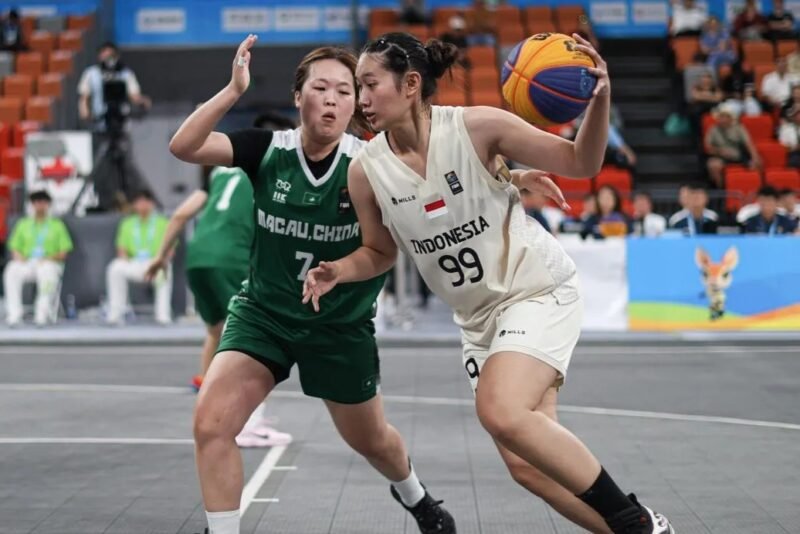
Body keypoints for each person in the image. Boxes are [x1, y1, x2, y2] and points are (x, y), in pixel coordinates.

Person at [305, 31, 675, 534]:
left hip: (536, 290)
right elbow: (379, 252)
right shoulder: (366, 171)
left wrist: (600, 99)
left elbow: (582, 163)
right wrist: (340, 269)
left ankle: (635, 522)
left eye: (369, 85)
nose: (362, 100)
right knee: (527, 465)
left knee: (498, 410)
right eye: (358, 88)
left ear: (411, 84)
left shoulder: (479, 127)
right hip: (479, 321)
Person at [168, 36, 455, 534]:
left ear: (356, 104)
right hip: (265, 316)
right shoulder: (267, 150)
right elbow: (184, 145)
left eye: (346, 91)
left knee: (373, 442)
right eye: (320, 87)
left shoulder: (371, 163)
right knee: (210, 424)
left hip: (338, 325)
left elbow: (387, 249)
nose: (333, 99)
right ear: (297, 97)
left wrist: (338, 271)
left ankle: (417, 497)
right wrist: (234, 90)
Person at [3, 190, 72, 327]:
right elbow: (14, 247)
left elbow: (64, 251)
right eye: (36, 202)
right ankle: (14, 314)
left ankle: (42, 314)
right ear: (32, 205)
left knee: (46, 272)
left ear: (48, 205)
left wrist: (48, 258)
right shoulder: (23, 224)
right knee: (11, 270)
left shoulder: (57, 225)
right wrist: (18, 256)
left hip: (49, 263)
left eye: (43, 202)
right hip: (28, 262)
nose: (39, 205)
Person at [105, 189, 171, 325]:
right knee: (115, 268)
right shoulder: (127, 223)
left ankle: (163, 315)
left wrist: (161, 260)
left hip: (155, 262)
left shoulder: (162, 222)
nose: (142, 205)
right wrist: (124, 258)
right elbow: (121, 248)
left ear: (151, 203)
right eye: (138, 202)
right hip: (134, 262)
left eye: (144, 201)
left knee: (165, 269)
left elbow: (170, 248)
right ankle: (115, 314)